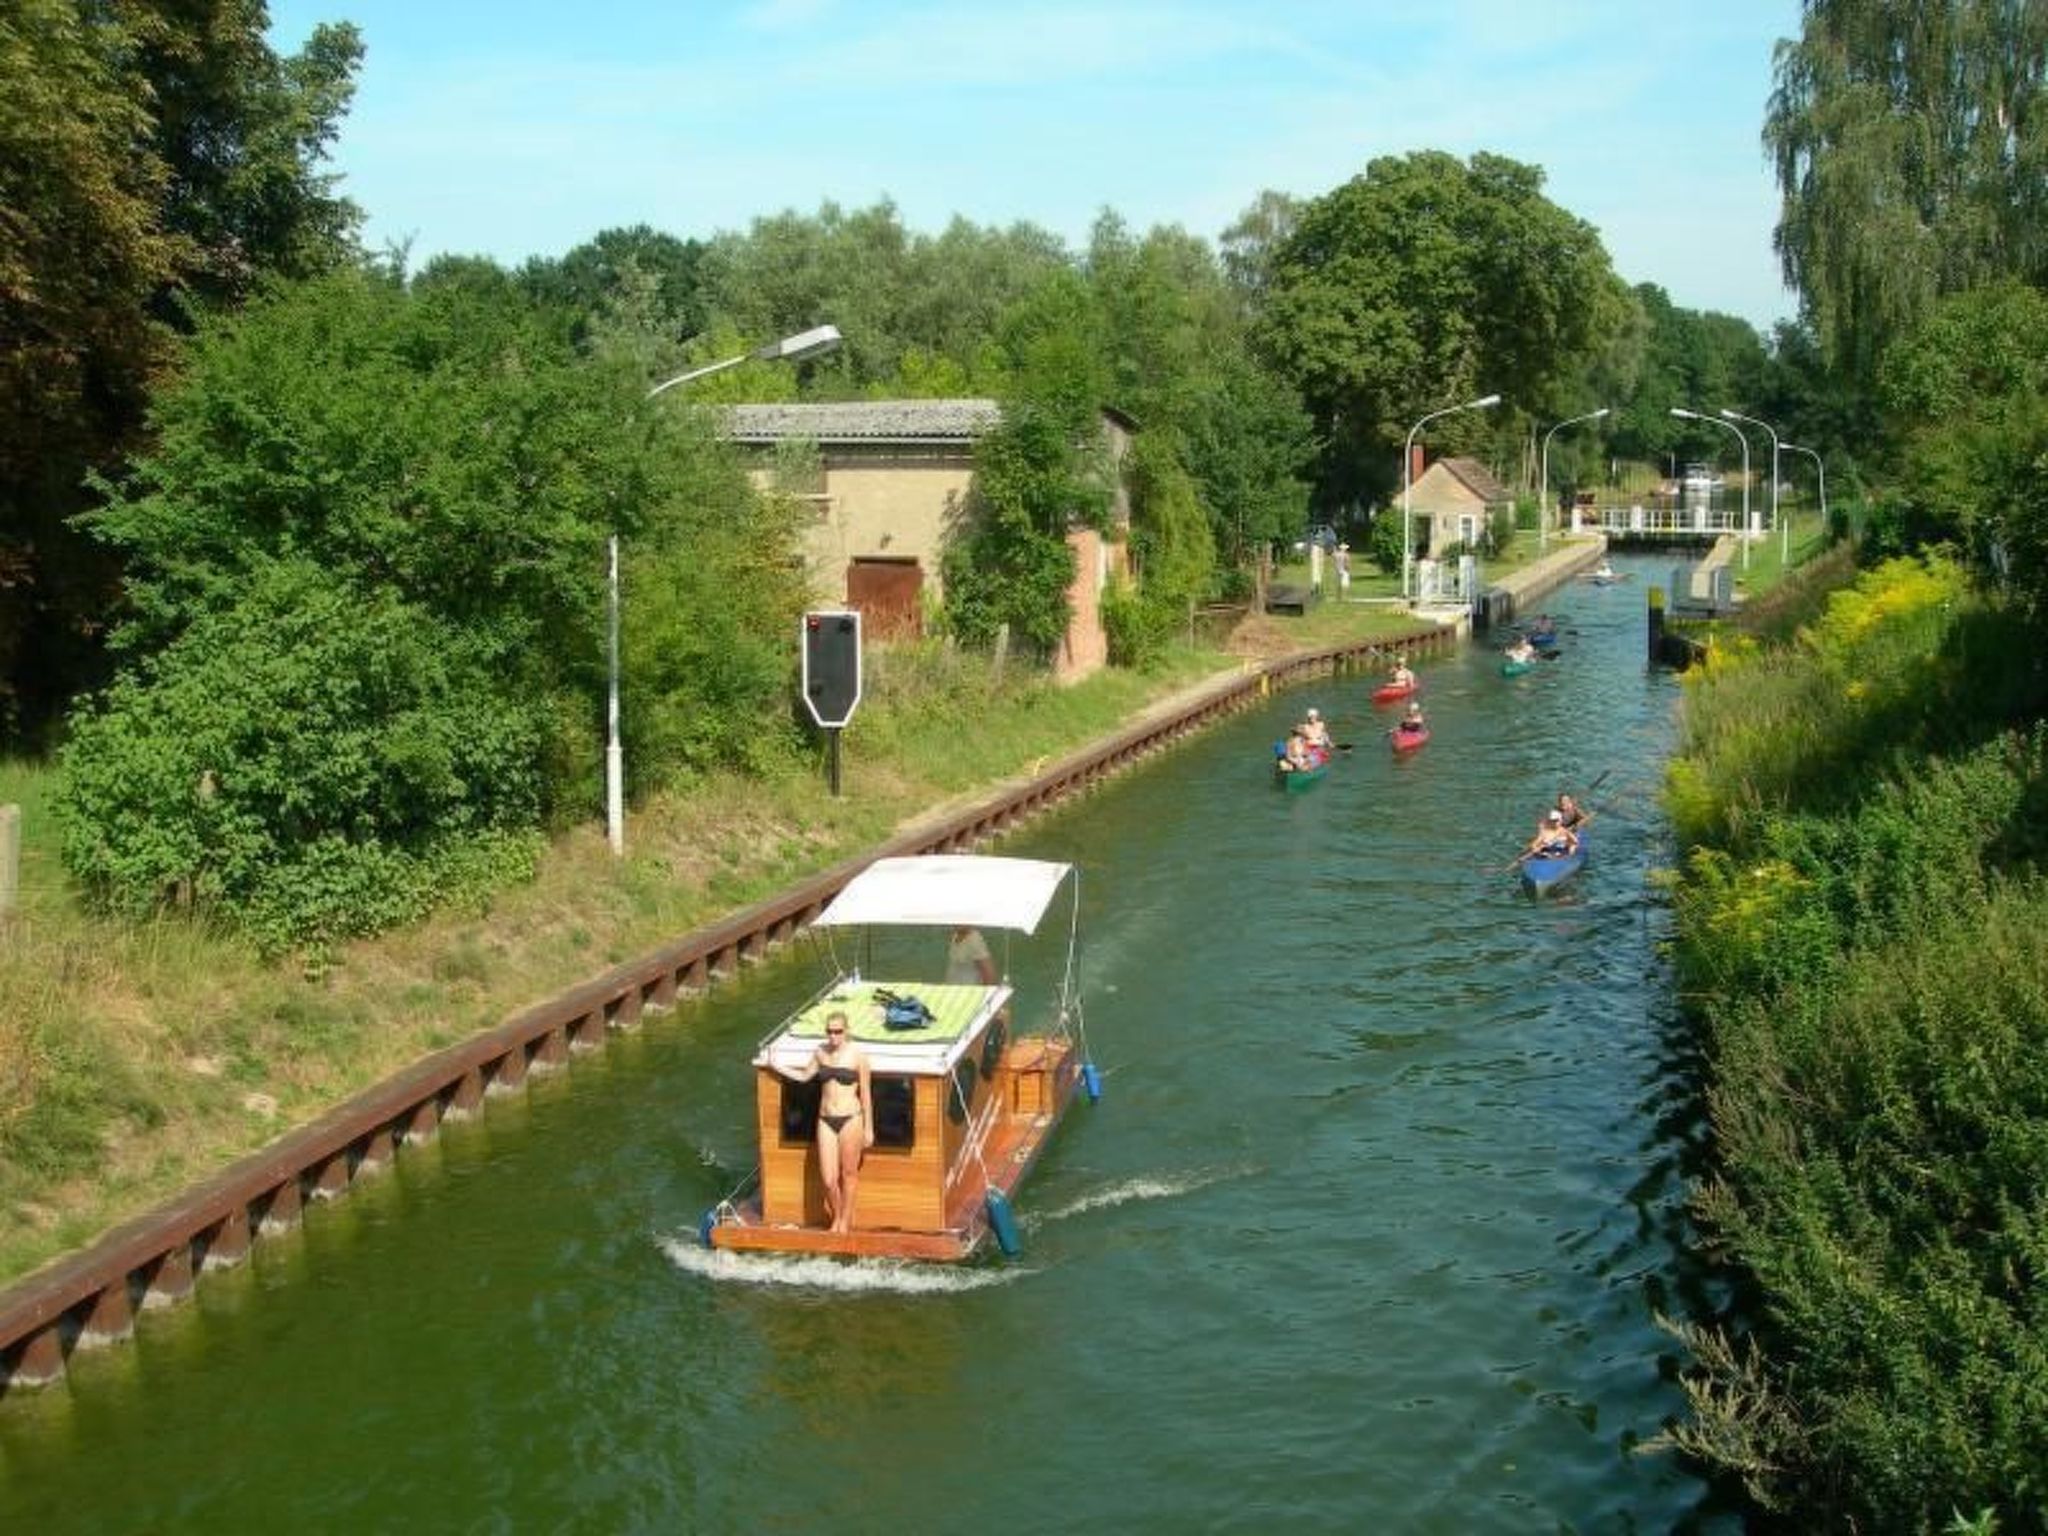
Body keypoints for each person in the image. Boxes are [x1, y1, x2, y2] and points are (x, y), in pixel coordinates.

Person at [777, 1010, 873, 1233]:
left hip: (851, 1118)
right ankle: (837, 1216)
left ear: (846, 1031)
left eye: (838, 1031)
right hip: (825, 1120)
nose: (833, 1036)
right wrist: (776, 1065)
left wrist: (869, 1128)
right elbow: (803, 1077)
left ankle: (844, 1223)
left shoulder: (858, 1056)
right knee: (829, 1179)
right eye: (829, 1031)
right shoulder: (820, 1053)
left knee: (849, 1174)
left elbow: (866, 1093)